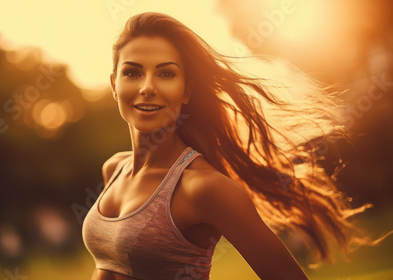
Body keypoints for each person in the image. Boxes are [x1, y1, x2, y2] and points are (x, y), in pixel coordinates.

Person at [82, 12, 391, 280]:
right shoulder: (114, 169)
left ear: (186, 90)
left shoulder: (204, 188)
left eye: (166, 73)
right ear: (114, 85)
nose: (147, 87)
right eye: (133, 72)